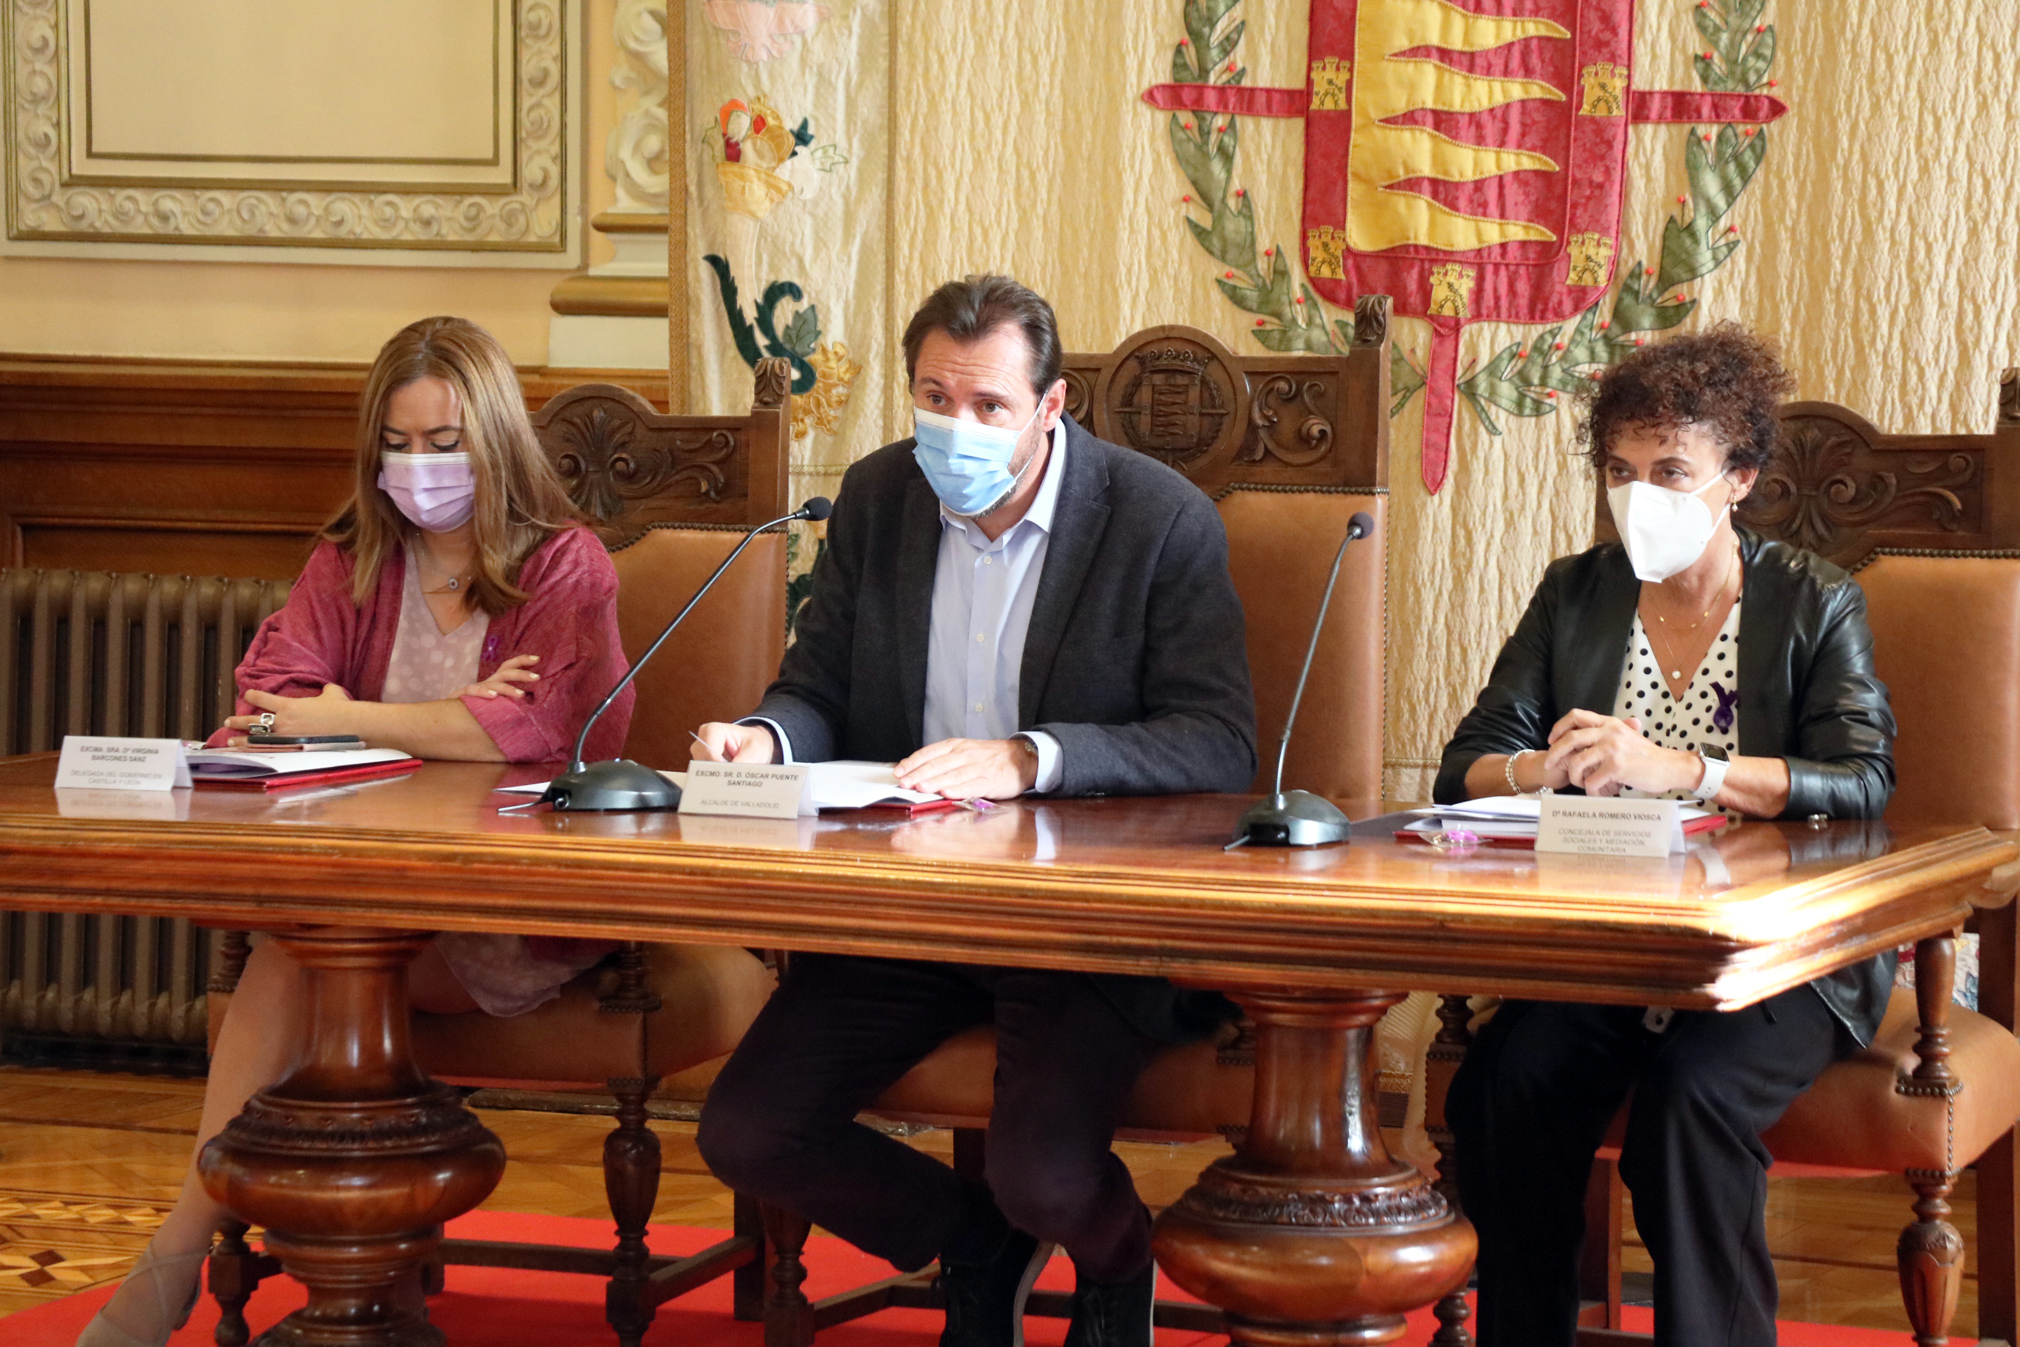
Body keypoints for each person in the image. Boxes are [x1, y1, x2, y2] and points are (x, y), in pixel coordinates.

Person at [691, 274, 1257, 1347]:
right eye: (935, 398)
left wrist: (1030, 758)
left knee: (1042, 1175)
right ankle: (975, 1242)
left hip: (1078, 924)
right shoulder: (878, 497)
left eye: (990, 404)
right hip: (911, 906)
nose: (957, 426)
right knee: (749, 1132)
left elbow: (1218, 739)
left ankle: (1114, 1255)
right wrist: (762, 738)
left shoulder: (1155, 519)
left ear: (1051, 407)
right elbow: (817, 690)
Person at [79, 316, 634, 1347]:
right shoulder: (351, 560)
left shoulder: (567, 566)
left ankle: (181, 1259)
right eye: (398, 442)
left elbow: (533, 732)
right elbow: (256, 715)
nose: (420, 467)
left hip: (512, 905)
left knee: (307, 950)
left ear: (496, 439)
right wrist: (439, 721)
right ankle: (329, 1270)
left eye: (445, 441)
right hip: (362, 890)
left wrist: (344, 715)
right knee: (318, 939)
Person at [1434, 325, 1896, 1347]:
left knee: (1689, 1105)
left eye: (1671, 471)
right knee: (1509, 1084)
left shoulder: (1816, 600)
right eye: (1620, 470)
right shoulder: (1575, 592)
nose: (1639, 494)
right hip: (1615, 942)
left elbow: (1861, 783)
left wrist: (1684, 769)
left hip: (1781, 952)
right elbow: (1463, 765)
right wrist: (1546, 766)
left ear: (1739, 479)